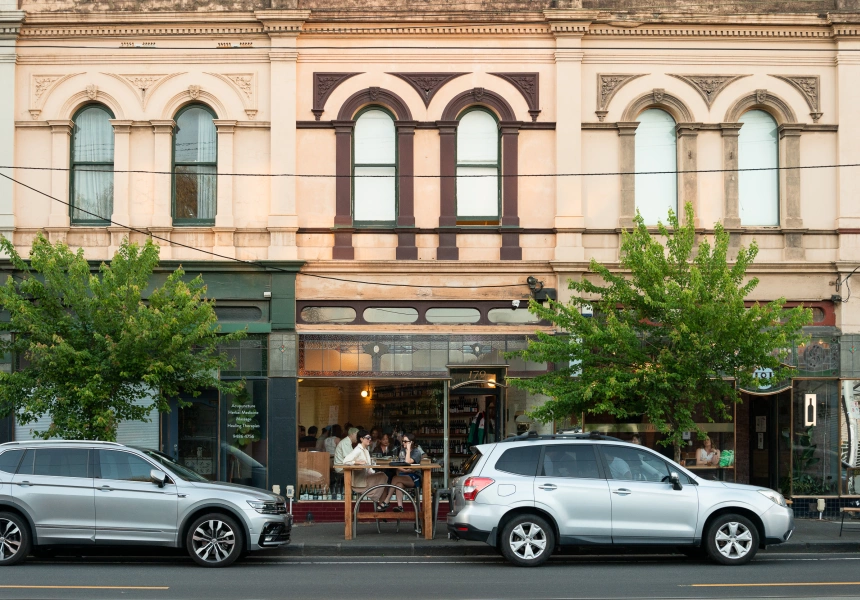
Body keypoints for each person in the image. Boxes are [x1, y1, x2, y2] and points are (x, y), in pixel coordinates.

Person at [342, 429, 388, 506]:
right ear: (361, 439)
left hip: (366, 477)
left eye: (370, 437)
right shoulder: (358, 450)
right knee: (383, 477)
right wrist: (357, 462)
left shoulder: (365, 450)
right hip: (360, 482)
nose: (369, 439)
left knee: (384, 480)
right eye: (367, 438)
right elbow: (345, 461)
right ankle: (380, 503)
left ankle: (381, 506)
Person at [384, 432, 423, 513]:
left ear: (411, 442)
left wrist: (408, 450)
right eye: (403, 441)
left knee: (395, 478)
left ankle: (387, 500)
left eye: (405, 441)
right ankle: (400, 506)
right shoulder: (402, 450)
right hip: (403, 476)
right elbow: (399, 465)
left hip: (414, 478)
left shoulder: (416, 452)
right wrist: (405, 470)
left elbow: (407, 462)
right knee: (398, 484)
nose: (403, 443)